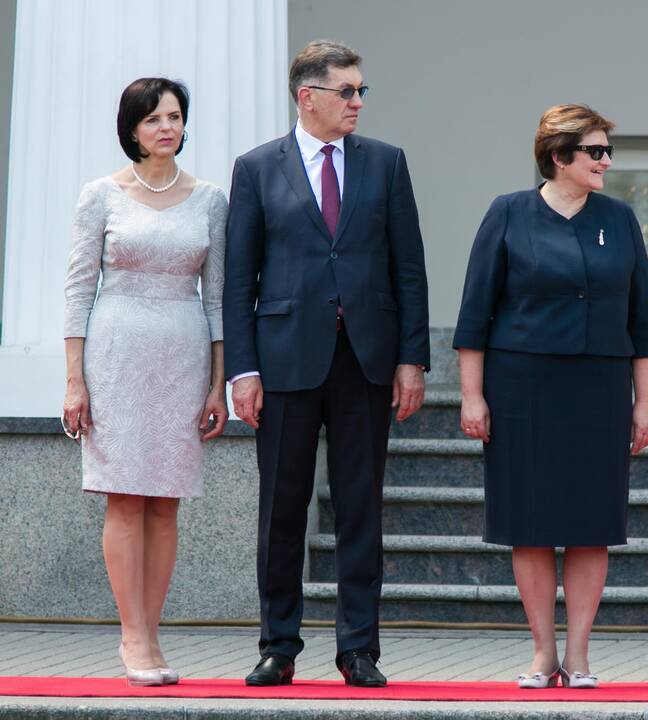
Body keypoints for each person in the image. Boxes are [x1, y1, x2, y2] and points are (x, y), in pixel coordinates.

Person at [223, 40, 429, 688]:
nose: (359, 102)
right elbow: (238, 281)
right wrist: (242, 370)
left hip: (365, 360)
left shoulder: (387, 164)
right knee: (281, 510)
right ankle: (278, 646)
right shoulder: (257, 169)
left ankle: (358, 647)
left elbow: (409, 271)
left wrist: (411, 361)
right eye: (348, 91)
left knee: (361, 508)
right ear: (307, 96)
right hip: (283, 362)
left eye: (362, 90)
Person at [453, 104, 648, 689]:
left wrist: (643, 402)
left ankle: (579, 654)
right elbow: (474, 315)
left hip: (599, 388)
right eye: (594, 151)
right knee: (530, 523)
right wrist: (473, 397)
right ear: (558, 157)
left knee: (591, 523)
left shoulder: (619, 218)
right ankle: (542, 652)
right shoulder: (508, 214)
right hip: (521, 388)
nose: (605, 161)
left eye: (607, 151)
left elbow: (641, 317)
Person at [62, 78, 228, 686]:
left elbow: (218, 298)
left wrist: (218, 384)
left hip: (182, 354)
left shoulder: (210, 199)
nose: (167, 127)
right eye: (154, 117)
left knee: (165, 502)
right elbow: (79, 287)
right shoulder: (100, 195)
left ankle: (153, 635)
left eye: (176, 116)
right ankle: (132, 637)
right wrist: (75, 381)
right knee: (125, 495)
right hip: (116, 351)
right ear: (132, 128)